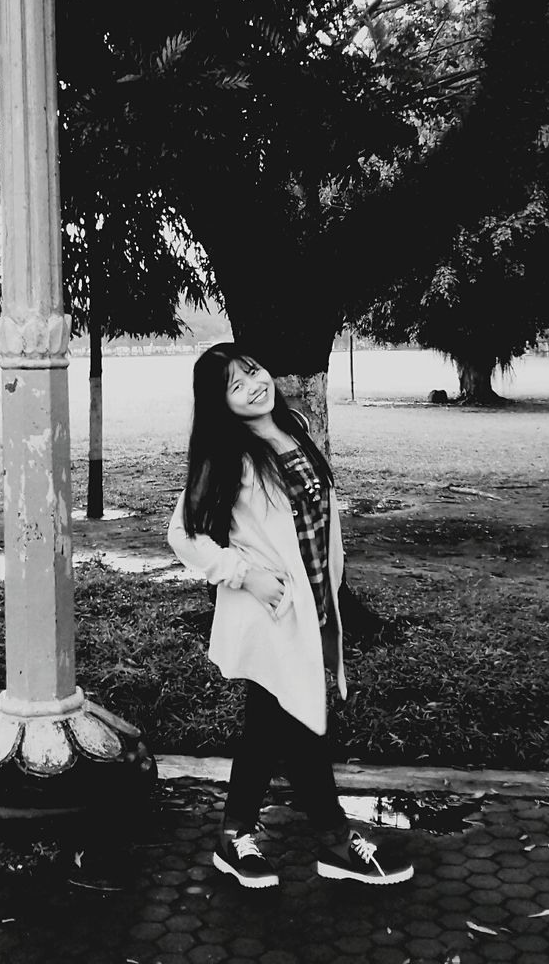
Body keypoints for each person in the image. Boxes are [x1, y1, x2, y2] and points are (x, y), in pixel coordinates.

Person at [167, 342, 415, 891]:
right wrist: (243, 573)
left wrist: (328, 597)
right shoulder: (226, 455)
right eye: (236, 385)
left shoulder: (294, 429)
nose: (254, 385)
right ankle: (333, 838)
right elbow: (182, 534)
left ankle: (235, 836)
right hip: (271, 610)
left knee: (267, 721)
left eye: (253, 371)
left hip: (314, 604)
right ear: (220, 404)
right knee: (300, 717)